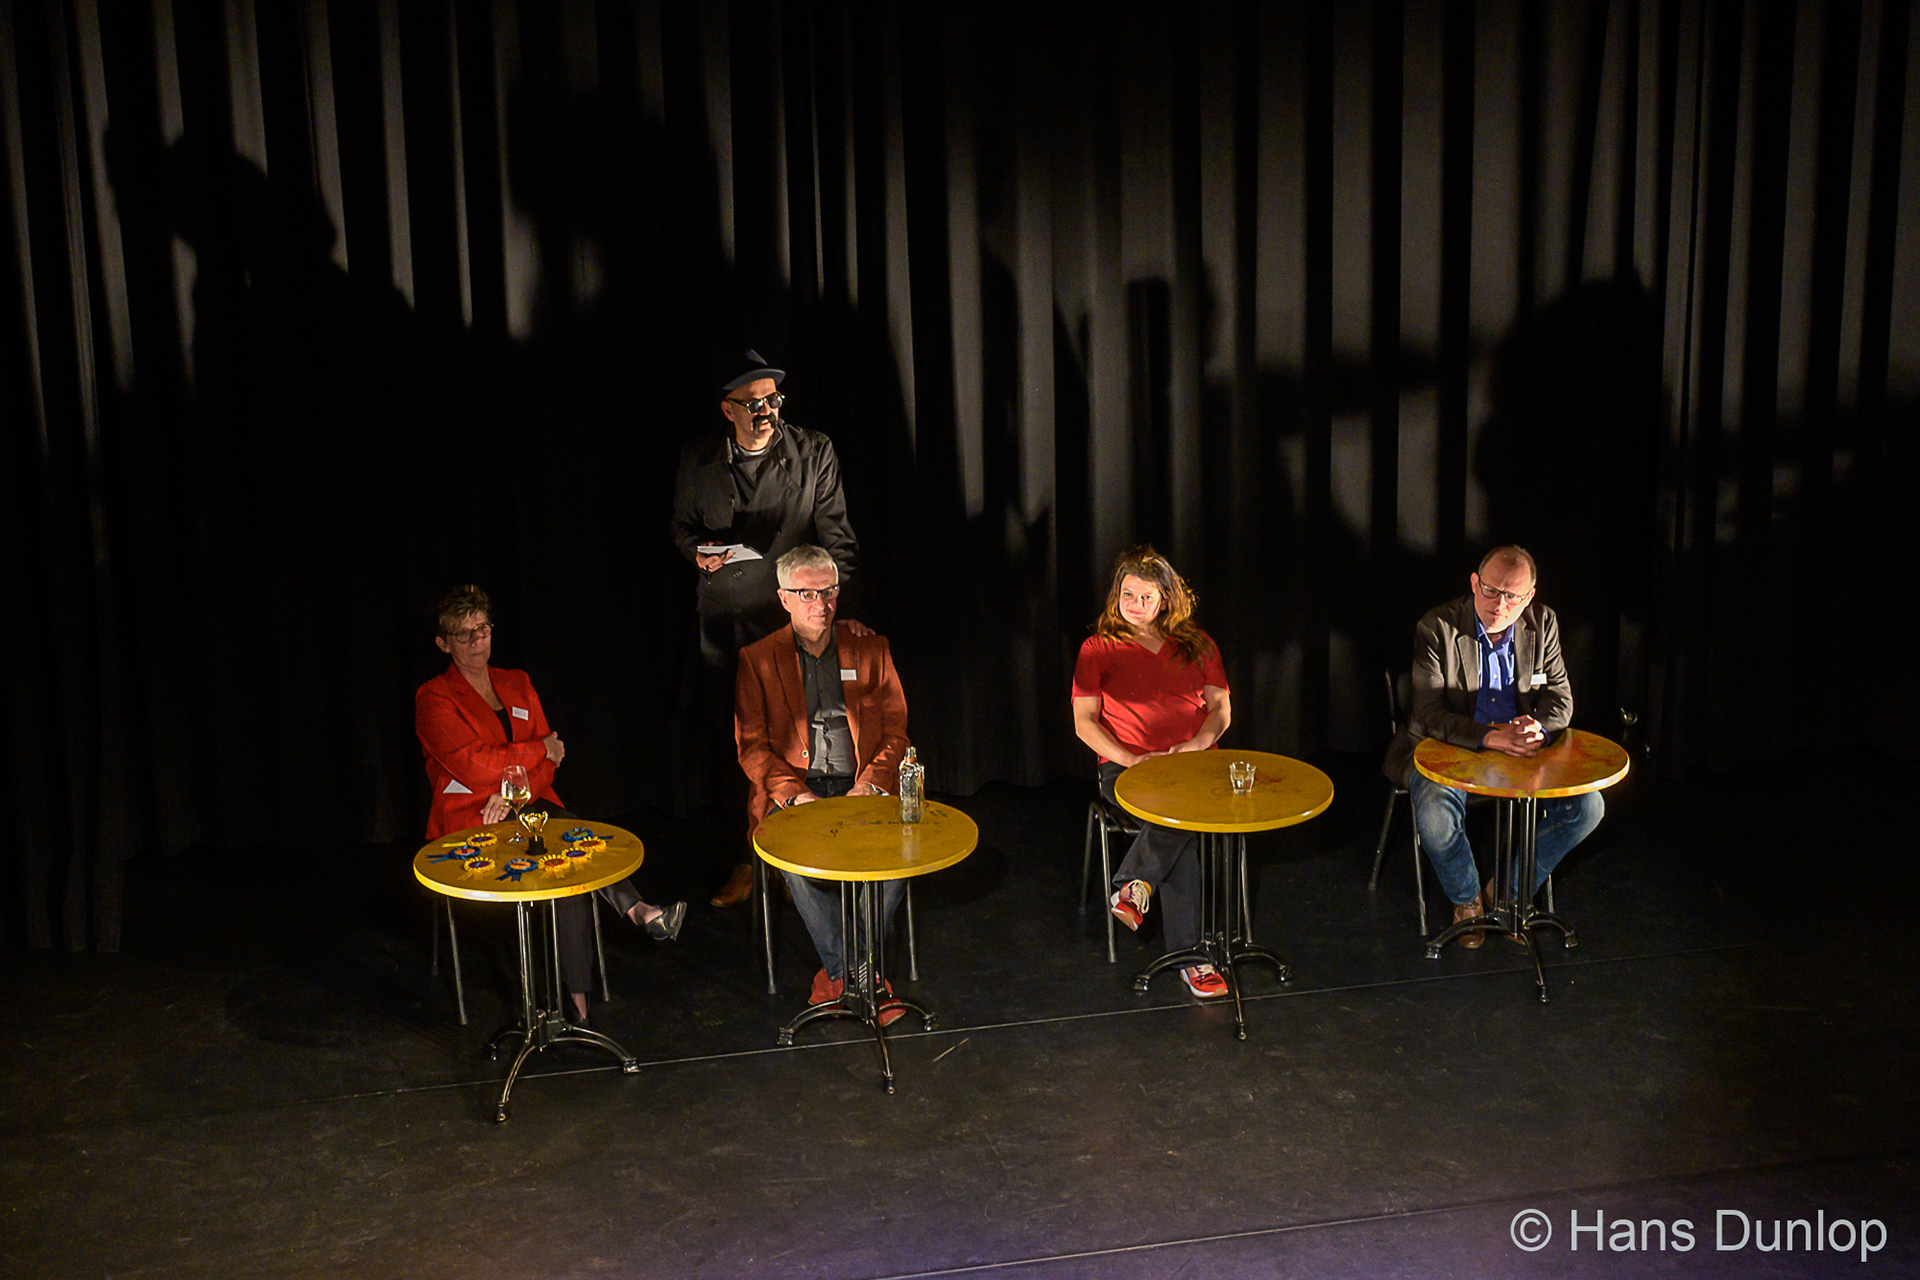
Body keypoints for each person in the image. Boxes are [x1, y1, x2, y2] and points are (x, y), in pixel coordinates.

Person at [415, 584, 684, 1020]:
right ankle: (634, 915)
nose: (477, 640)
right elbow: (474, 765)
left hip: (528, 805)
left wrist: (516, 788)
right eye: (464, 634)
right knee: (562, 851)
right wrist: (537, 752)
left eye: (483, 629)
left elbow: (551, 764)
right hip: (472, 819)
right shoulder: (434, 697)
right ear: (443, 643)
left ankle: (578, 1001)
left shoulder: (516, 682)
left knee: (571, 858)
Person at [672, 350, 862, 908]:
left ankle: (804, 853)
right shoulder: (699, 458)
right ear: (727, 409)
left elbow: (839, 540)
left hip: (789, 624)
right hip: (726, 628)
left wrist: (823, 608)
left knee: (799, 739)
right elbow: (681, 526)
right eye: (753, 403)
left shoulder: (813, 451)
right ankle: (749, 862)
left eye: (773, 400)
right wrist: (697, 552)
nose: (766, 412)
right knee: (738, 745)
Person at [1381, 546, 1605, 948]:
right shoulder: (1437, 626)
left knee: (1588, 808)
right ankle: (1467, 900)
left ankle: (1507, 893)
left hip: (1520, 751)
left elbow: (1560, 698)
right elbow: (1428, 714)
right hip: (1449, 746)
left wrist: (1537, 727)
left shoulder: (1543, 622)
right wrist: (1491, 737)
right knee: (1434, 815)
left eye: (1513, 596)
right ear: (1474, 583)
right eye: (1490, 590)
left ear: (1529, 597)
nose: (1500, 605)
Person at [734, 545, 910, 1019]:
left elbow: (896, 731)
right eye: (806, 594)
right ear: (783, 598)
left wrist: (870, 784)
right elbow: (752, 748)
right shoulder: (757, 659)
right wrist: (797, 797)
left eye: (828, 592)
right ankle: (860, 975)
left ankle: (842, 975)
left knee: (898, 857)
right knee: (794, 863)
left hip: (861, 786)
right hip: (796, 792)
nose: (821, 603)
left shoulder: (870, 648)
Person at [1071, 548, 1232, 999]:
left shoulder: (1198, 644)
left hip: (1194, 766)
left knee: (1181, 811)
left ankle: (1134, 885)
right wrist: (1130, 759)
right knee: (1180, 824)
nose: (1136, 604)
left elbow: (1221, 708)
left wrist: (1197, 744)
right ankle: (1192, 959)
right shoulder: (1097, 648)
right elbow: (1084, 722)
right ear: (1116, 596)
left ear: (1165, 599)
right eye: (1128, 594)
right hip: (1129, 769)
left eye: (1146, 596)